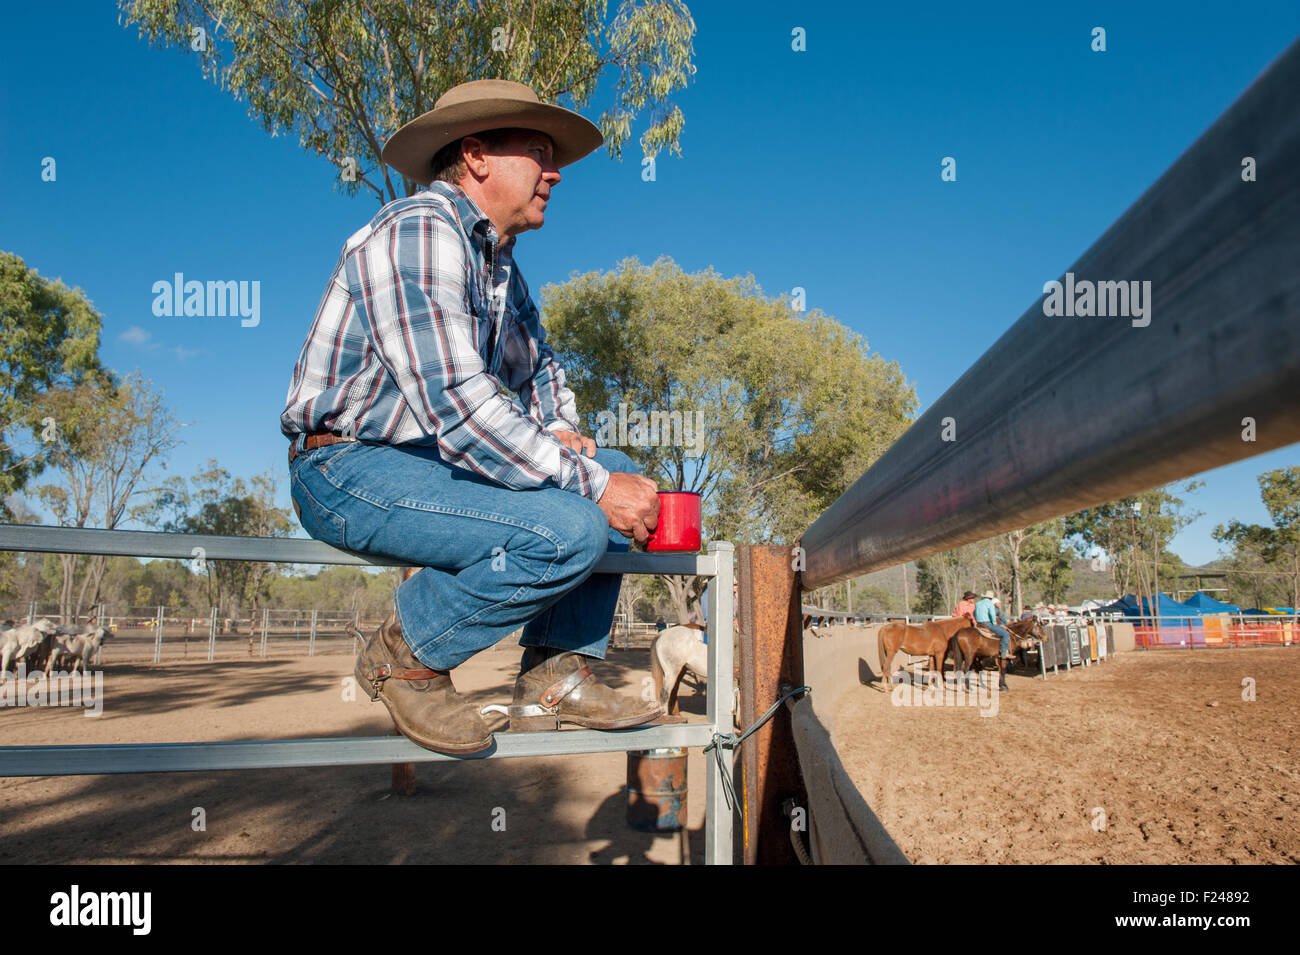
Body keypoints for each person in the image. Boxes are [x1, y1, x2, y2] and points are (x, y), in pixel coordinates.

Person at [281, 79, 663, 755]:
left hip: (424, 465)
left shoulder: (500, 269)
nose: (554, 172)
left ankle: (555, 676)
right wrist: (591, 485)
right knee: (575, 521)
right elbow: (458, 407)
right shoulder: (419, 232)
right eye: (540, 152)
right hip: (343, 467)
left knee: (616, 467)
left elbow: (539, 370)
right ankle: (405, 658)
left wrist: (566, 434)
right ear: (477, 155)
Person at [974, 590, 1013, 659]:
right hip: (987, 623)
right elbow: (992, 614)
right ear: (991, 598)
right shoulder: (990, 604)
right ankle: (1003, 652)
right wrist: (994, 623)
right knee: (1005, 634)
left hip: (978, 624)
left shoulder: (977, 603)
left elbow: (974, 614)